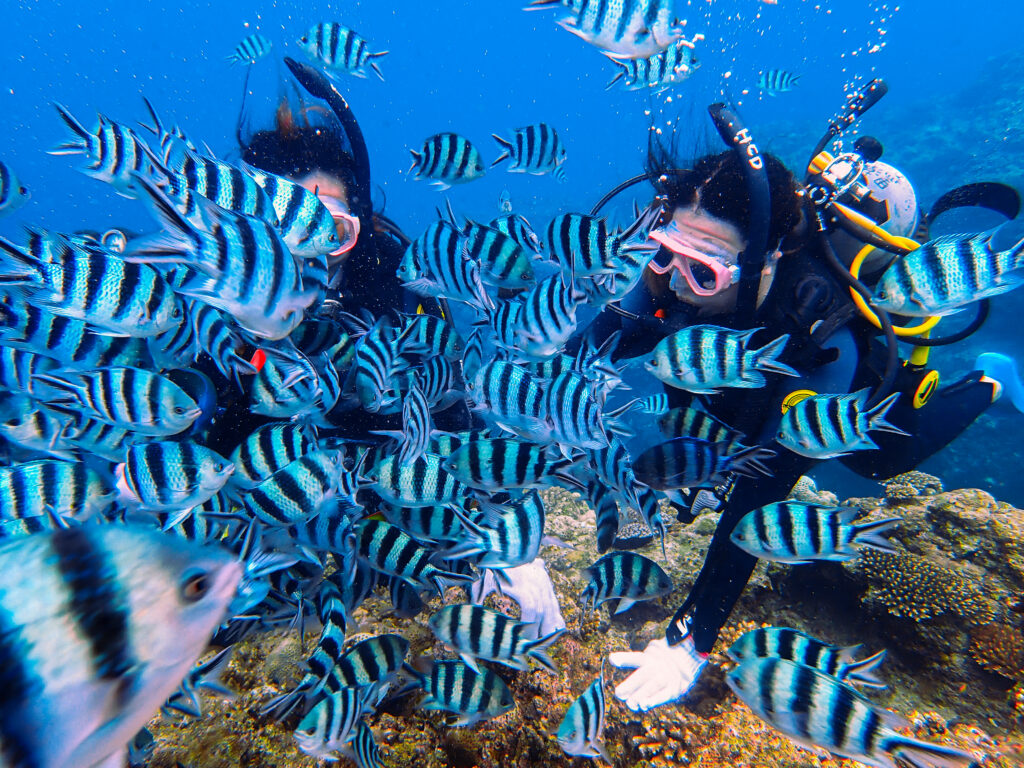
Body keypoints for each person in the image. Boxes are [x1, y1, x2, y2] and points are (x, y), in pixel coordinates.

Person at [595, 98, 1013, 711]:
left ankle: (990, 384)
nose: (678, 280)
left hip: (849, 400)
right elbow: (571, 359)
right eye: (665, 252)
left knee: (878, 461)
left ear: (764, 261)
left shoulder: (823, 334)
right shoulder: (670, 279)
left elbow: (760, 494)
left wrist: (691, 638)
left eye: (704, 270)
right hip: (738, 399)